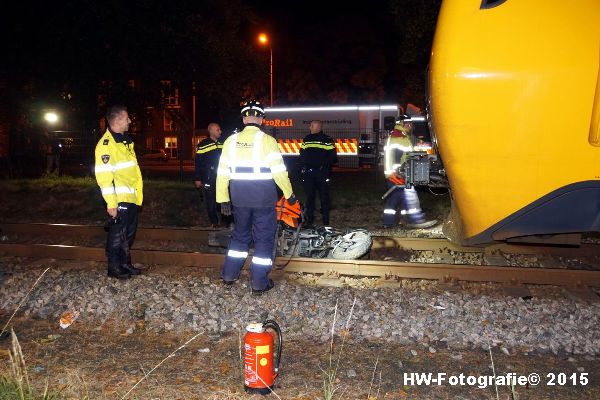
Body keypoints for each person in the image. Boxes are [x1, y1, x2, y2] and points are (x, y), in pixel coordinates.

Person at [216, 100, 296, 294]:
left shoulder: (230, 141)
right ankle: (259, 283)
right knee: (263, 239)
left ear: (244, 119)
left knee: (240, 237)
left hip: (239, 198)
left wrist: (222, 199)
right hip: (263, 198)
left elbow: (222, 173)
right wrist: (289, 194)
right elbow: (279, 172)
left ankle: (229, 275)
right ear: (261, 120)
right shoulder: (267, 141)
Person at [94, 105, 143, 279]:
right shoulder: (106, 145)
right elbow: (104, 177)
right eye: (127, 118)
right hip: (119, 198)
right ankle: (114, 268)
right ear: (119, 120)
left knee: (127, 234)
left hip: (130, 197)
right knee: (117, 235)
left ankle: (124, 264)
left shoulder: (124, 141)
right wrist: (111, 203)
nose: (130, 121)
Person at [382, 115, 437, 229]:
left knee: (396, 198)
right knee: (409, 196)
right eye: (408, 123)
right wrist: (395, 173)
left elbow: (406, 156)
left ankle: (394, 222)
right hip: (397, 175)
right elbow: (394, 158)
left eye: (411, 123)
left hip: (399, 174)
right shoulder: (398, 138)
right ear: (402, 124)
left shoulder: (402, 136)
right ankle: (415, 220)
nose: (411, 125)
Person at [299, 120, 337, 226]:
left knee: (320, 198)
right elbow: (302, 154)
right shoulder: (307, 139)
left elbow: (332, 157)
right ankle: (314, 221)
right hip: (314, 173)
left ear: (318, 127)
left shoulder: (326, 140)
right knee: (313, 197)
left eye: (312, 126)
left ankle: (320, 222)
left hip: (318, 174)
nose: (310, 128)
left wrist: (321, 166)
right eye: (310, 126)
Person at [194, 122, 227, 228]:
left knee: (223, 200)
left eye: (220, 129)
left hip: (222, 178)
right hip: (208, 178)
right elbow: (198, 163)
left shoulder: (223, 143)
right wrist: (198, 179)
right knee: (210, 200)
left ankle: (225, 221)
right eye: (218, 130)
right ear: (211, 131)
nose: (220, 132)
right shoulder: (203, 145)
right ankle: (214, 222)